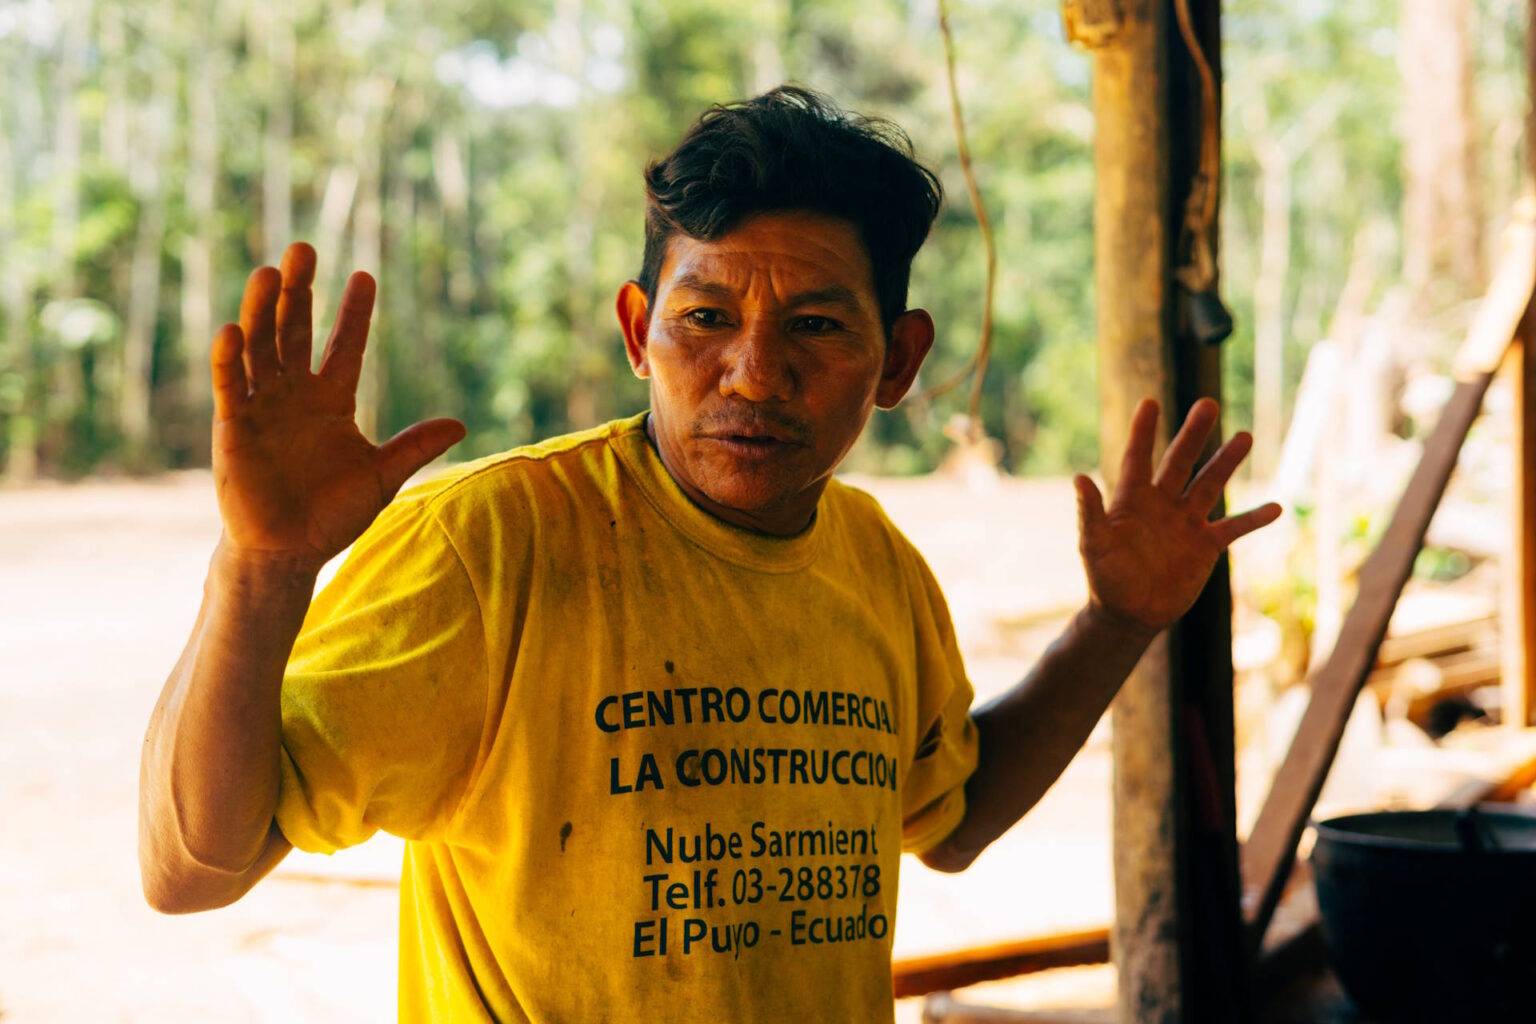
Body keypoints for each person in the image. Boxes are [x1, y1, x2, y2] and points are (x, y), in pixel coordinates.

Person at [137, 85, 1282, 1023]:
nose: (754, 373)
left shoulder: (875, 564)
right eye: (706, 318)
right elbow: (190, 869)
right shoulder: (494, 546)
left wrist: (1119, 621)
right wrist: (261, 569)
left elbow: (953, 818)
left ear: (898, 360)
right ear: (639, 332)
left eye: (817, 326)